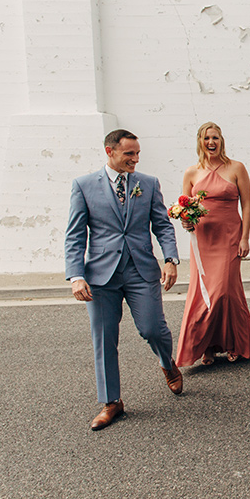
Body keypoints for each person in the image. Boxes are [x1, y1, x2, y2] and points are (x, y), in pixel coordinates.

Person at [65, 129, 183, 431]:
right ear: (110, 151)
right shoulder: (84, 186)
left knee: (152, 328)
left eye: (137, 153)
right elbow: (76, 235)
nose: (135, 159)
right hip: (101, 276)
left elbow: (162, 225)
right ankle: (111, 402)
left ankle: (167, 362)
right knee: (104, 338)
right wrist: (76, 276)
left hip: (140, 269)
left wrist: (170, 259)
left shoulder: (148, 183)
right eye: (129, 153)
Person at [175, 122, 250, 367]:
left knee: (225, 292)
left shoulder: (236, 168)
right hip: (202, 240)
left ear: (222, 141)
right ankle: (207, 347)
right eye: (207, 138)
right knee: (202, 293)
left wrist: (245, 237)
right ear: (200, 141)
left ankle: (234, 343)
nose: (211, 142)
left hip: (230, 236)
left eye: (216, 138)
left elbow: (247, 205)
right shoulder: (192, 173)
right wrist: (186, 223)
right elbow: (184, 209)